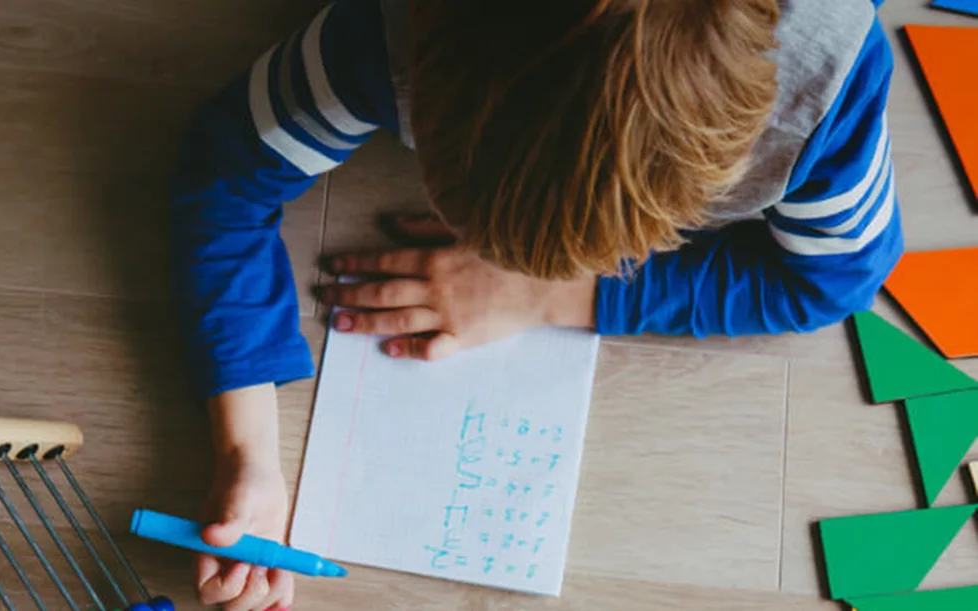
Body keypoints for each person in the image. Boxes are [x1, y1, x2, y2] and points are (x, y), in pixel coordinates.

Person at [170, 0, 901, 608]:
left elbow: (832, 281)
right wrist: (248, 451)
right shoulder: (383, 32)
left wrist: (550, 296)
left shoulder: (826, 89)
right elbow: (223, 170)